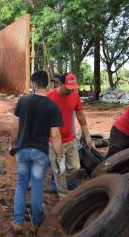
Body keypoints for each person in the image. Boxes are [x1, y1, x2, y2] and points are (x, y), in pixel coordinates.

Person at [10, 71, 64, 235]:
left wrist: (13, 145)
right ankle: (36, 224)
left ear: (33, 84)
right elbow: (55, 136)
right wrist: (59, 159)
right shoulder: (52, 106)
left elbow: (14, 128)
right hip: (40, 153)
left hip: (23, 150)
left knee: (21, 185)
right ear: (47, 84)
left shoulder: (22, 101)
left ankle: (18, 222)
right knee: (37, 188)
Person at [47, 72, 93, 200]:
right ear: (60, 84)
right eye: (68, 88)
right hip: (53, 140)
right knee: (59, 171)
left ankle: (59, 184)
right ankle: (63, 199)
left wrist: (87, 134)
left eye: (73, 88)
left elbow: (80, 115)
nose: (70, 91)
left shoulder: (75, 95)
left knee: (75, 167)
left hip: (70, 138)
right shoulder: (49, 96)